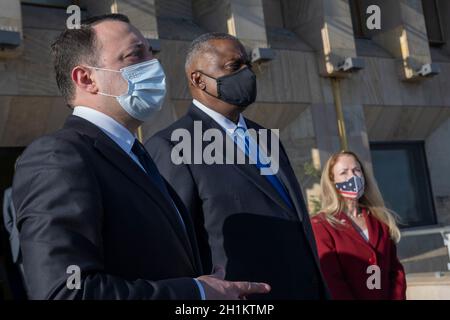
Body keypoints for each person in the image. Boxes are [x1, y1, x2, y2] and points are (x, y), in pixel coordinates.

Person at [11, 14, 270, 300]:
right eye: (135, 55)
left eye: (151, 52)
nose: (153, 65)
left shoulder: (135, 157)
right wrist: (195, 292)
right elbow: (66, 292)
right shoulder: (59, 156)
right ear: (86, 78)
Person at [145, 33, 329, 299]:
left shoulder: (266, 138)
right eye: (234, 66)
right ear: (198, 79)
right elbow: (172, 250)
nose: (247, 74)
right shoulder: (171, 146)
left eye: (247, 65)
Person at [310, 151, 406, 300]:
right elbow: (332, 279)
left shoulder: (379, 220)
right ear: (332, 181)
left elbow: (395, 271)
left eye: (356, 170)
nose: (353, 177)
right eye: (344, 172)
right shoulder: (322, 225)